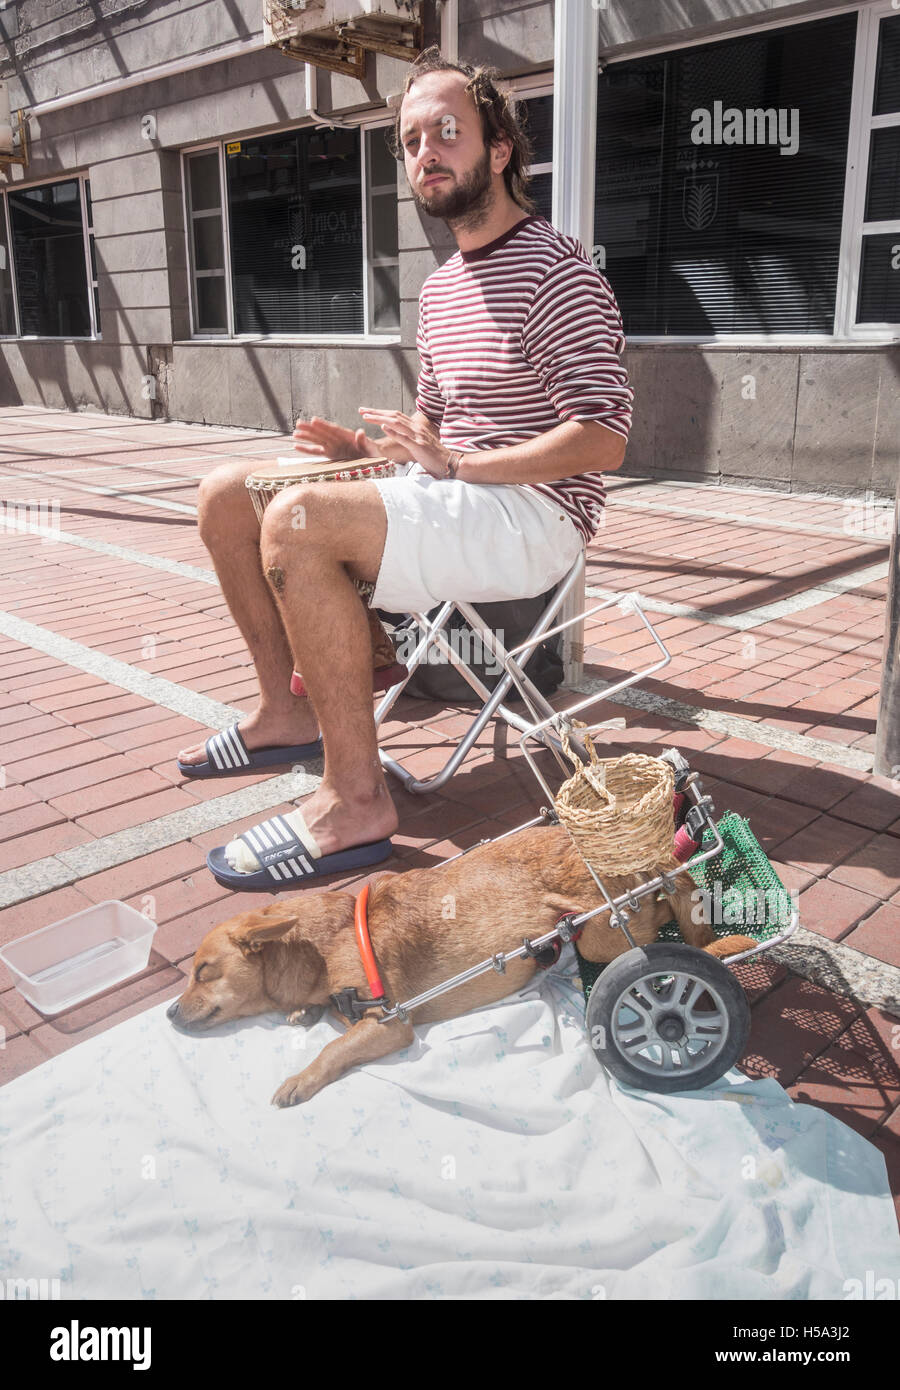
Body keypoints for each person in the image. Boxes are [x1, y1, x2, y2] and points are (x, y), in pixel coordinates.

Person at [180, 45, 634, 890]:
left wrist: (456, 463)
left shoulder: (558, 269)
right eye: (412, 140)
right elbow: (434, 428)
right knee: (226, 499)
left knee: (301, 521)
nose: (427, 152)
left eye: (448, 132)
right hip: (454, 491)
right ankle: (287, 711)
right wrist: (367, 453)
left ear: (499, 150)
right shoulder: (446, 285)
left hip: (536, 516)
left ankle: (355, 800)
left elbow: (604, 438)